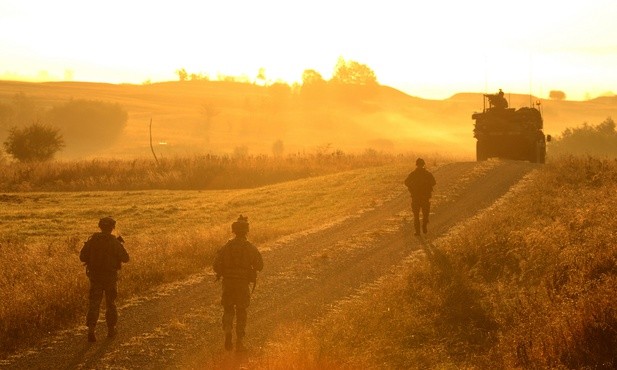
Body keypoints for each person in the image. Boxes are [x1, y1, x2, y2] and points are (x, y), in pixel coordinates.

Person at [213, 215, 263, 352]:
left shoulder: (226, 247)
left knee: (228, 309)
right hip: (242, 284)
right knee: (241, 311)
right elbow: (260, 266)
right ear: (246, 231)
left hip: (228, 283)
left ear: (233, 231)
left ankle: (228, 331)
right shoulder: (250, 248)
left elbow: (216, 266)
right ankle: (239, 339)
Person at [79, 216, 129, 342]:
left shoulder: (92, 240)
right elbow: (125, 258)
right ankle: (111, 330)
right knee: (110, 304)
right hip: (110, 277)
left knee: (94, 304)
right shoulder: (114, 242)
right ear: (112, 228)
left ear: (100, 227)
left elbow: (82, 257)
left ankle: (91, 330)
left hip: (95, 277)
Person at [404, 158, 437, 236]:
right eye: (420, 165)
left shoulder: (413, 174)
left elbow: (406, 182)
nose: (420, 166)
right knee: (423, 214)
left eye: (420, 165)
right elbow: (433, 182)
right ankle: (422, 227)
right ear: (423, 165)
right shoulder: (427, 174)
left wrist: (412, 188)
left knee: (417, 215)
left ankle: (419, 230)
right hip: (423, 197)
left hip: (416, 197)